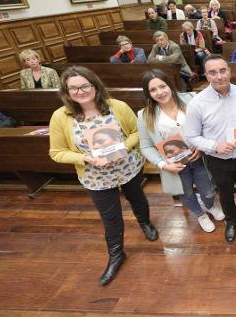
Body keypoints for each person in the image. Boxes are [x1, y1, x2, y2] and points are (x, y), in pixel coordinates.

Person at [49, 66, 157, 286]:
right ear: (66, 91)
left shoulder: (117, 106)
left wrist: (123, 148)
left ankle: (145, 223)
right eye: (74, 88)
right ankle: (117, 254)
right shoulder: (61, 116)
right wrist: (85, 159)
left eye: (85, 85)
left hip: (128, 168)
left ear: (94, 85)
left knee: (137, 198)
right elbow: (56, 152)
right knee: (110, 217)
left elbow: (137, 133)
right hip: (95, 177)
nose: (80, 91)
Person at [182, 54, 236, 242]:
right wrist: (214, 146)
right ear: (206, 75)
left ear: (229, 71)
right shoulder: (197, 103)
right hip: (217, 159)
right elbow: (190, 136)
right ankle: (231, 220)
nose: (219, 76)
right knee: (226, 192)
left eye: (222, 71)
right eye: (212, 73)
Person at [137, 69, 224, 233]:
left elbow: (209, 125)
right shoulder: (144, 115)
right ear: (148, 93)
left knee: (208, 190)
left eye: (162, 86)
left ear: (169, 85)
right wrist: (163, 164)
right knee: (186, 194)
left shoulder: (191, 98)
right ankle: (200, 214)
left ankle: (210, 205)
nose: (160, 92)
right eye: (153, 89)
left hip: (198, 157)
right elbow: (145, 146)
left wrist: (201, 145)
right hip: (175, 165)